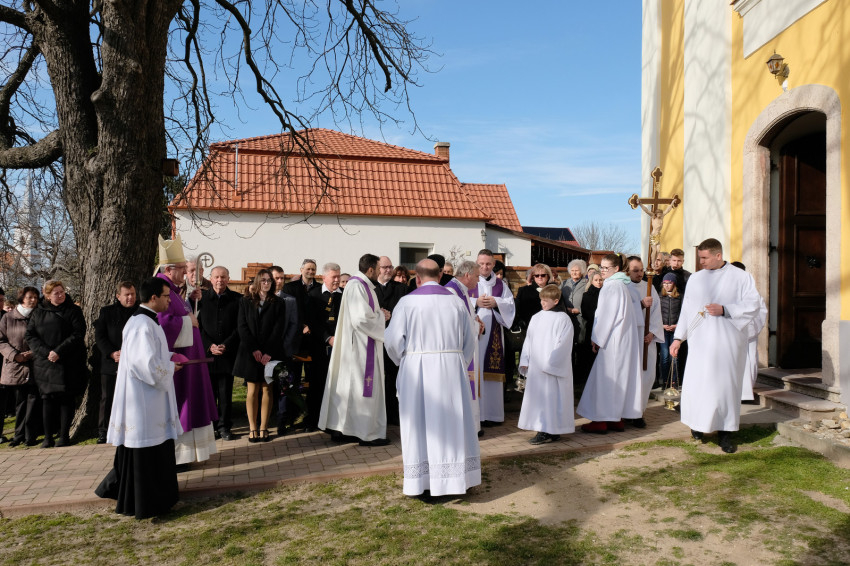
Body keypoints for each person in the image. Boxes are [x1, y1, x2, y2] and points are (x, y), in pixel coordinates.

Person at [385, 259, 479, 497]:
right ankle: (456, 481)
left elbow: (393, 342)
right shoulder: (456, 302)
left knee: (419, 425)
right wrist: (457, 361)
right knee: (452, 423)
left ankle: (422, 484)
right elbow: (470, 341)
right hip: (451, 369)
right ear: (439, 277)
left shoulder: (406, 302)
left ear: (417, 279)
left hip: (416, 371)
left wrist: (404, 361)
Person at [95, 277, 182, 519]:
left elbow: (150, 355)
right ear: (153, 298)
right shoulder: (142, 324)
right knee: (146, 449)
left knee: (153, 447)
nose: (169, 301)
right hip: (144, 401)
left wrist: (169, 357)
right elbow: (145, 365)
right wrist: (170, 368)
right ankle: (148, 502)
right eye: (166, 296)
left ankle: (157, 499)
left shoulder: (146, 321)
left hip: (149, 399)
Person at [669, 238, 763, 453]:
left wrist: (726, 310)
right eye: (699, 258)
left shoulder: (741, 277)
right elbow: (687, 310)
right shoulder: (696, 279)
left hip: (727, 344)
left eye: (704, 257)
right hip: (700, 344)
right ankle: (697, 425)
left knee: (724, 389)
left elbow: (753, 304)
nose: (701, 262)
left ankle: (725, 433)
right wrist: (678, 338)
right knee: (699, 386)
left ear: (718, 255)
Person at [155, 235, 218, 468]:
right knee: (182, 405)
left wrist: (189, 303)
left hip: (189, 360)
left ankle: (189, 455)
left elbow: (177, 314)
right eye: (182, 268)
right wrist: (187, 321)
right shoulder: (161, 289)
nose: (185, 272)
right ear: (169, 270)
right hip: (179, 363)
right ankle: (179, 457)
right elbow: (162, 323)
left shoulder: (173, 290)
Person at [319, 254, 389, 446]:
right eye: (379, 268)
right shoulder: (358, 286)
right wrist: (382, 317)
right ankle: (366, 433)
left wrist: (378, 314)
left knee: (351, 389)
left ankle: (347, 430)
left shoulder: (362, 285)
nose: (381, 272)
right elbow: (361, 319)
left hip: (360, 345)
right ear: (371, 269)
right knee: (359, 389)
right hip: (360, 348)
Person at [575, 254, 642, 434]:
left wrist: (597, 339)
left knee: (605, 378)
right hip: (623, 339)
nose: (602, 271)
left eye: (606, 268)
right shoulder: (623, 285)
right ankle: (616, 418)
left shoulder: (611, 286)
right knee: (619, 378)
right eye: (601, 267)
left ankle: (601, 420)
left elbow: (606, 316)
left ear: (616, 269)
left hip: (612, 340)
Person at [25, 280, 86, 447]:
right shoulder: (38, 312)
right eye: (56, 293)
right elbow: (30, 335)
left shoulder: (73, 310)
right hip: (45, 363)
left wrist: (59, 351)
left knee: (66, 398)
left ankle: (64, 435)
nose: (60, 295)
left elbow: (78, 333)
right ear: (47, 295)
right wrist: (47, 352)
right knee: (47, 399)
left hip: (67, 361)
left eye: (62, 292)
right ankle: (48, 437)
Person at [232, 269, 287, 442]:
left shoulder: (278, 302)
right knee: (252, 390)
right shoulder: (245, 301)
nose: (266, 283)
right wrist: (254, 349)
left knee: (267, 389)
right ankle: (252, 428)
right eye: (263, 280)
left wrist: (268, 352)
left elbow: (278, 329)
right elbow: (242, 327)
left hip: (271, 353)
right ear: (257, 282)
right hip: (251, 353)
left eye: (269, 280)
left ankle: (263, 427)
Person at [518, 284, 574, 444]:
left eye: (546, 300)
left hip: (552, 367)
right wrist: (525, 360)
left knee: (552, 398)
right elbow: (529, 339)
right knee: (539, 399)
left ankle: (550, 430)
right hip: (536, 366)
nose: (542, 303)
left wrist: (551, 364)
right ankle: (543, 428)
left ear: (556, 301)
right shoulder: (536, 317)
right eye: (541, 300)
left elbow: (564, 344)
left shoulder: (563, 319)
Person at [197, 266, 241, 440]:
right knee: (209, 393)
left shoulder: (237, 299)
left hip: (227, 354)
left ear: (228, 279)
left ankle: (224, 427)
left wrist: (225, 345)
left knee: (225, 393)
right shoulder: (201, 299)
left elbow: (239, 327)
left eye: (223, 277)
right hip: (207, 354)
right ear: (211, 278)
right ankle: (211, 427)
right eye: (216, 277)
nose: (219, 280)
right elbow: (198, 327)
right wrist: (210, 345)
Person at [474, 249, 515, 426]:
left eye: (488, 264)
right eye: (481, 264)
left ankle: (492, 414)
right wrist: (475, 302)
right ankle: (477, 414)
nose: (484, 267)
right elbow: (458, 301)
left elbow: (510, 304)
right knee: (476, 370)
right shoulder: (470, 280)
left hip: (494, 332)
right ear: (476, 263)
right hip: (474, 334)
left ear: (493, 264)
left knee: (491, 374)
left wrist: (496, 303)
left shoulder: (501, 284)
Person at [94, 281, 138, 444]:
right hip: (112, 362)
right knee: (107, 397)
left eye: (133, 294)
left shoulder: (140, 312)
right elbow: (100, 336)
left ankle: (131, 427)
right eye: (127, 295)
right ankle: (103, 430)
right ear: (118, 296)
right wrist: (112, 353)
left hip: (135, 362)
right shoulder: (107, 312)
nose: (130, 298)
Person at [445, 260, 485, 434]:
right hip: (459, 349)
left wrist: (477, 320)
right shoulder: (451, 291)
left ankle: (472, 426)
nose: (478, 280)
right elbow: (455, 323)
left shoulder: (462, 291)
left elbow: (469, 316)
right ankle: (466, 427)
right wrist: (474, 325)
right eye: (477, 276)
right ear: (467, 275)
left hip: (468, 347)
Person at [0, 287, 41, 446]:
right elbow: (1, 341)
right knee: (20, 402)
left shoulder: (40, 315)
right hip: (16, 365)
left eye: (36, 297)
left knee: (33, 400)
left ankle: (31, 436)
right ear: (22, 298)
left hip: (36, 363)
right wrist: (15, 355)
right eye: (30, 297)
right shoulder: (8, 318)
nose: (33, 300)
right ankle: (18, 435)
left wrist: (33, 353)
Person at [304, 262, 343, 431]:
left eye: (338, 276)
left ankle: (335, 421)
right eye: (334, 277)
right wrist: (328, 338)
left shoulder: (344, 295)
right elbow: (312, 321)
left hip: (340, 346)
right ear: (324, 277)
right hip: (319, 346)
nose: (337, 280)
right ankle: (313, 419)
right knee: (316, 384)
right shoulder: (313, 295)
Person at [626, 257, 663, 428]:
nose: (640, 273)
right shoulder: (624, 287)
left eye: (641, 270)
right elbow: (623, 313)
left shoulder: (649, 287)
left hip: (647, 340)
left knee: (647, 376)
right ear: (627, 270)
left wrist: (652, 333)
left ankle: (639, 412)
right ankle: (627, 412)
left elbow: (656, 312)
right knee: (631, 376)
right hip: (631, 339)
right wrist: (640, 305)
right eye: (635, 270)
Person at [374, 256, 408, 426]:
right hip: (374, 339)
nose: (388, 270)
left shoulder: (401, 289)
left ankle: (392, 413)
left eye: (390, 267)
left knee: (392, 377)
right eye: (384, 267)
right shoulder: (370, 288)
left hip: (393, 339)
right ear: (377, 269)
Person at [731, 262, 768, 402]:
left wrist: (748, 327)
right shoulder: (727, 290)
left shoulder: (751, 291)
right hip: (731, 332)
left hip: (748, 331)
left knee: (749, 359)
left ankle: (746, 391)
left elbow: (760, 311)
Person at [575, 270, 603, 387]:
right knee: (590, 354)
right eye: (596, 280)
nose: (599, 282)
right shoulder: (586, 295)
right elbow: (586, 313)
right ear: (591, 281)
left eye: (600, 280)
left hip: (604, 327)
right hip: (592, 327)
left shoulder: (606, 294)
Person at [658, 272, 682, 388]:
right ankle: (665, 381)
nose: (666, 285)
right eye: (665, 283)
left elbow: (682, 314)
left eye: (669, 283)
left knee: (674, 356)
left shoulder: (679, 297)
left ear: (674, 284)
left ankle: (674, 381)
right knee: (665, 356)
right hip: (663, 330)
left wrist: (677, 325)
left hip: (675, 330)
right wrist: (662, 325)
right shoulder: (659, 297)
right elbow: (656, 314)